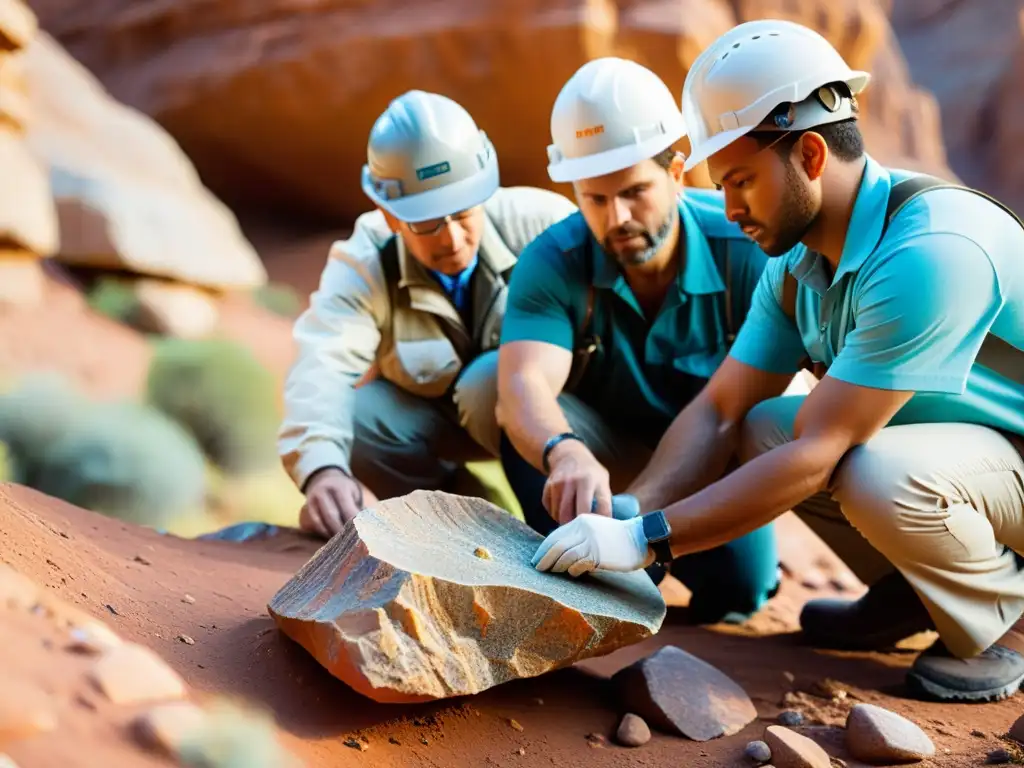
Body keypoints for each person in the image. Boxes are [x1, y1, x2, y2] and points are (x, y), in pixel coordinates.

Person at [530, 19, 1024, 703]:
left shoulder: (930, 252)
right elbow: (721, 408)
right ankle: (915, 593)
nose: (728, 209)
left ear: (812, 155)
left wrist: (648, 539)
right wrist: (626, 515)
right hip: (984, 466)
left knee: (868, 466)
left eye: (740, 181)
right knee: (764, 424)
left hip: (1013, 465)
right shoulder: (795, 261)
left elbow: (823, 451)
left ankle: (1006, 624)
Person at [496, 57, 783, 625]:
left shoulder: (749, 250)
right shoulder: (555, 258)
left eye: (634, 191)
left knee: (740, 592)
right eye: (595, 199)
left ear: (678, 173)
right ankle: (569, 570)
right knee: (495, 385)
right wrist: (565, 451)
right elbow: (525, 382)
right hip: (600, 451)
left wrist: (638, 520)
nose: (617, 218)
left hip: (712, 455)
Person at [278, 90, 578, 539]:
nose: (452, 238)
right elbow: (323, 359)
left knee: (492, 378)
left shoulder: (545, 225)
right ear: (390, 215)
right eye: (426, 222)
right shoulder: (366, 258)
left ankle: (560, 528)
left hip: (558, 416)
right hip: (438, 424)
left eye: (462, 213)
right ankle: (465, 529)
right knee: (359, 421)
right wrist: (321, 469)